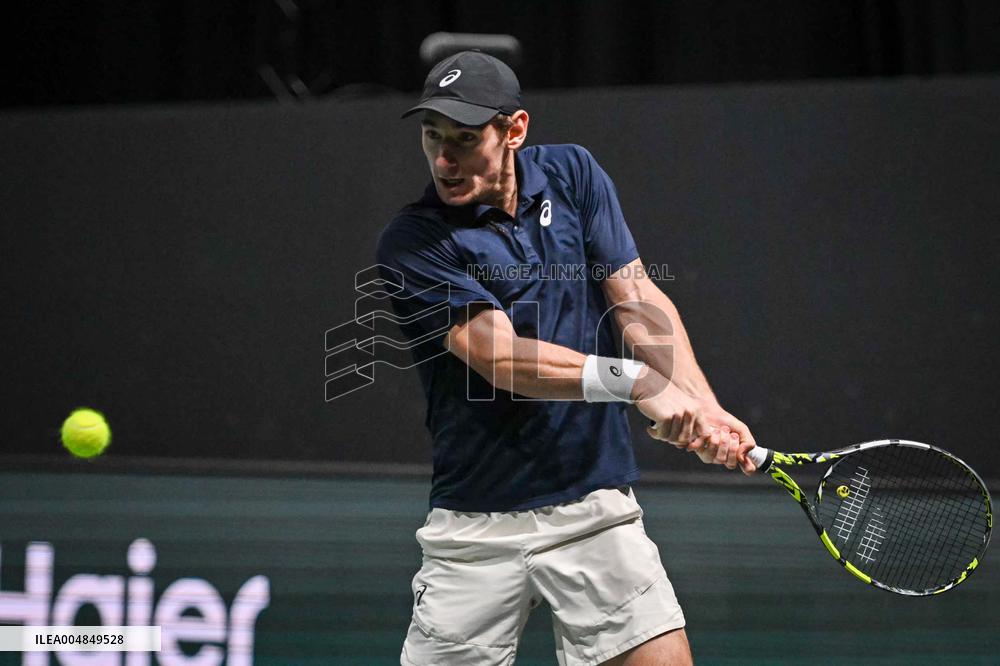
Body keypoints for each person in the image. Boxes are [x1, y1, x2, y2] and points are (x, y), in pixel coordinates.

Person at [376, 50, 757, 666]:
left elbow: (634, 296)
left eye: (465, 140)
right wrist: (635, 382)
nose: (444, 159)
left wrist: (701, 406)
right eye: (432, 136)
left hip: (593, 504)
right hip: (478, 524)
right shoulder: (414, 242)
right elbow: (502, 360)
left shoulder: (574, 173)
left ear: (515, 130)